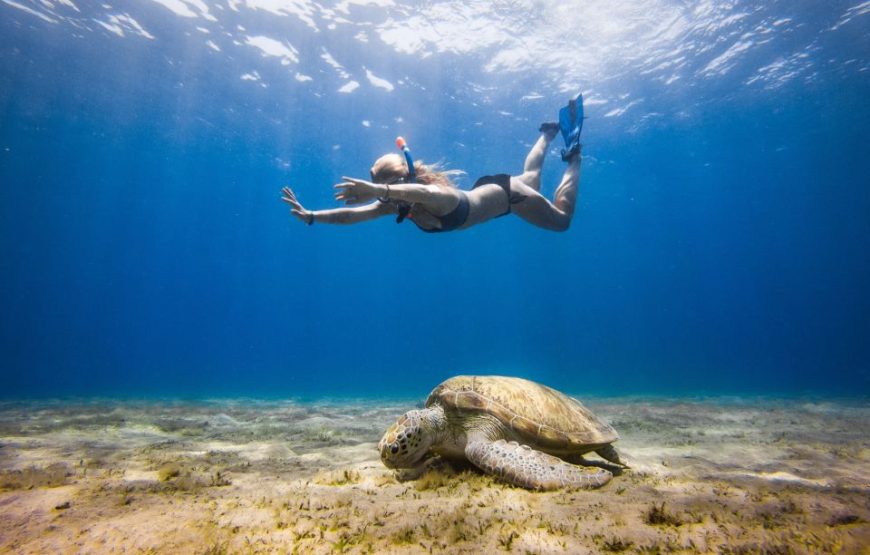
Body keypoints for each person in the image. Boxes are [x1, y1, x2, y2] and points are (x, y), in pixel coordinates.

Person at [281, 94, 584, 232]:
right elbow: (350, 217)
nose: (381, 192)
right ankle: (546, 134)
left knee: (562, 221)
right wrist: (311, 216)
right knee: (529, 176)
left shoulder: (438, 195)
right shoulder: (395, 203)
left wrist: (377, 189)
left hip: (509, 197)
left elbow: (421, 195)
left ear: (401, 182)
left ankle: (573, 156)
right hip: (490, 191)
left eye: (385, 184)